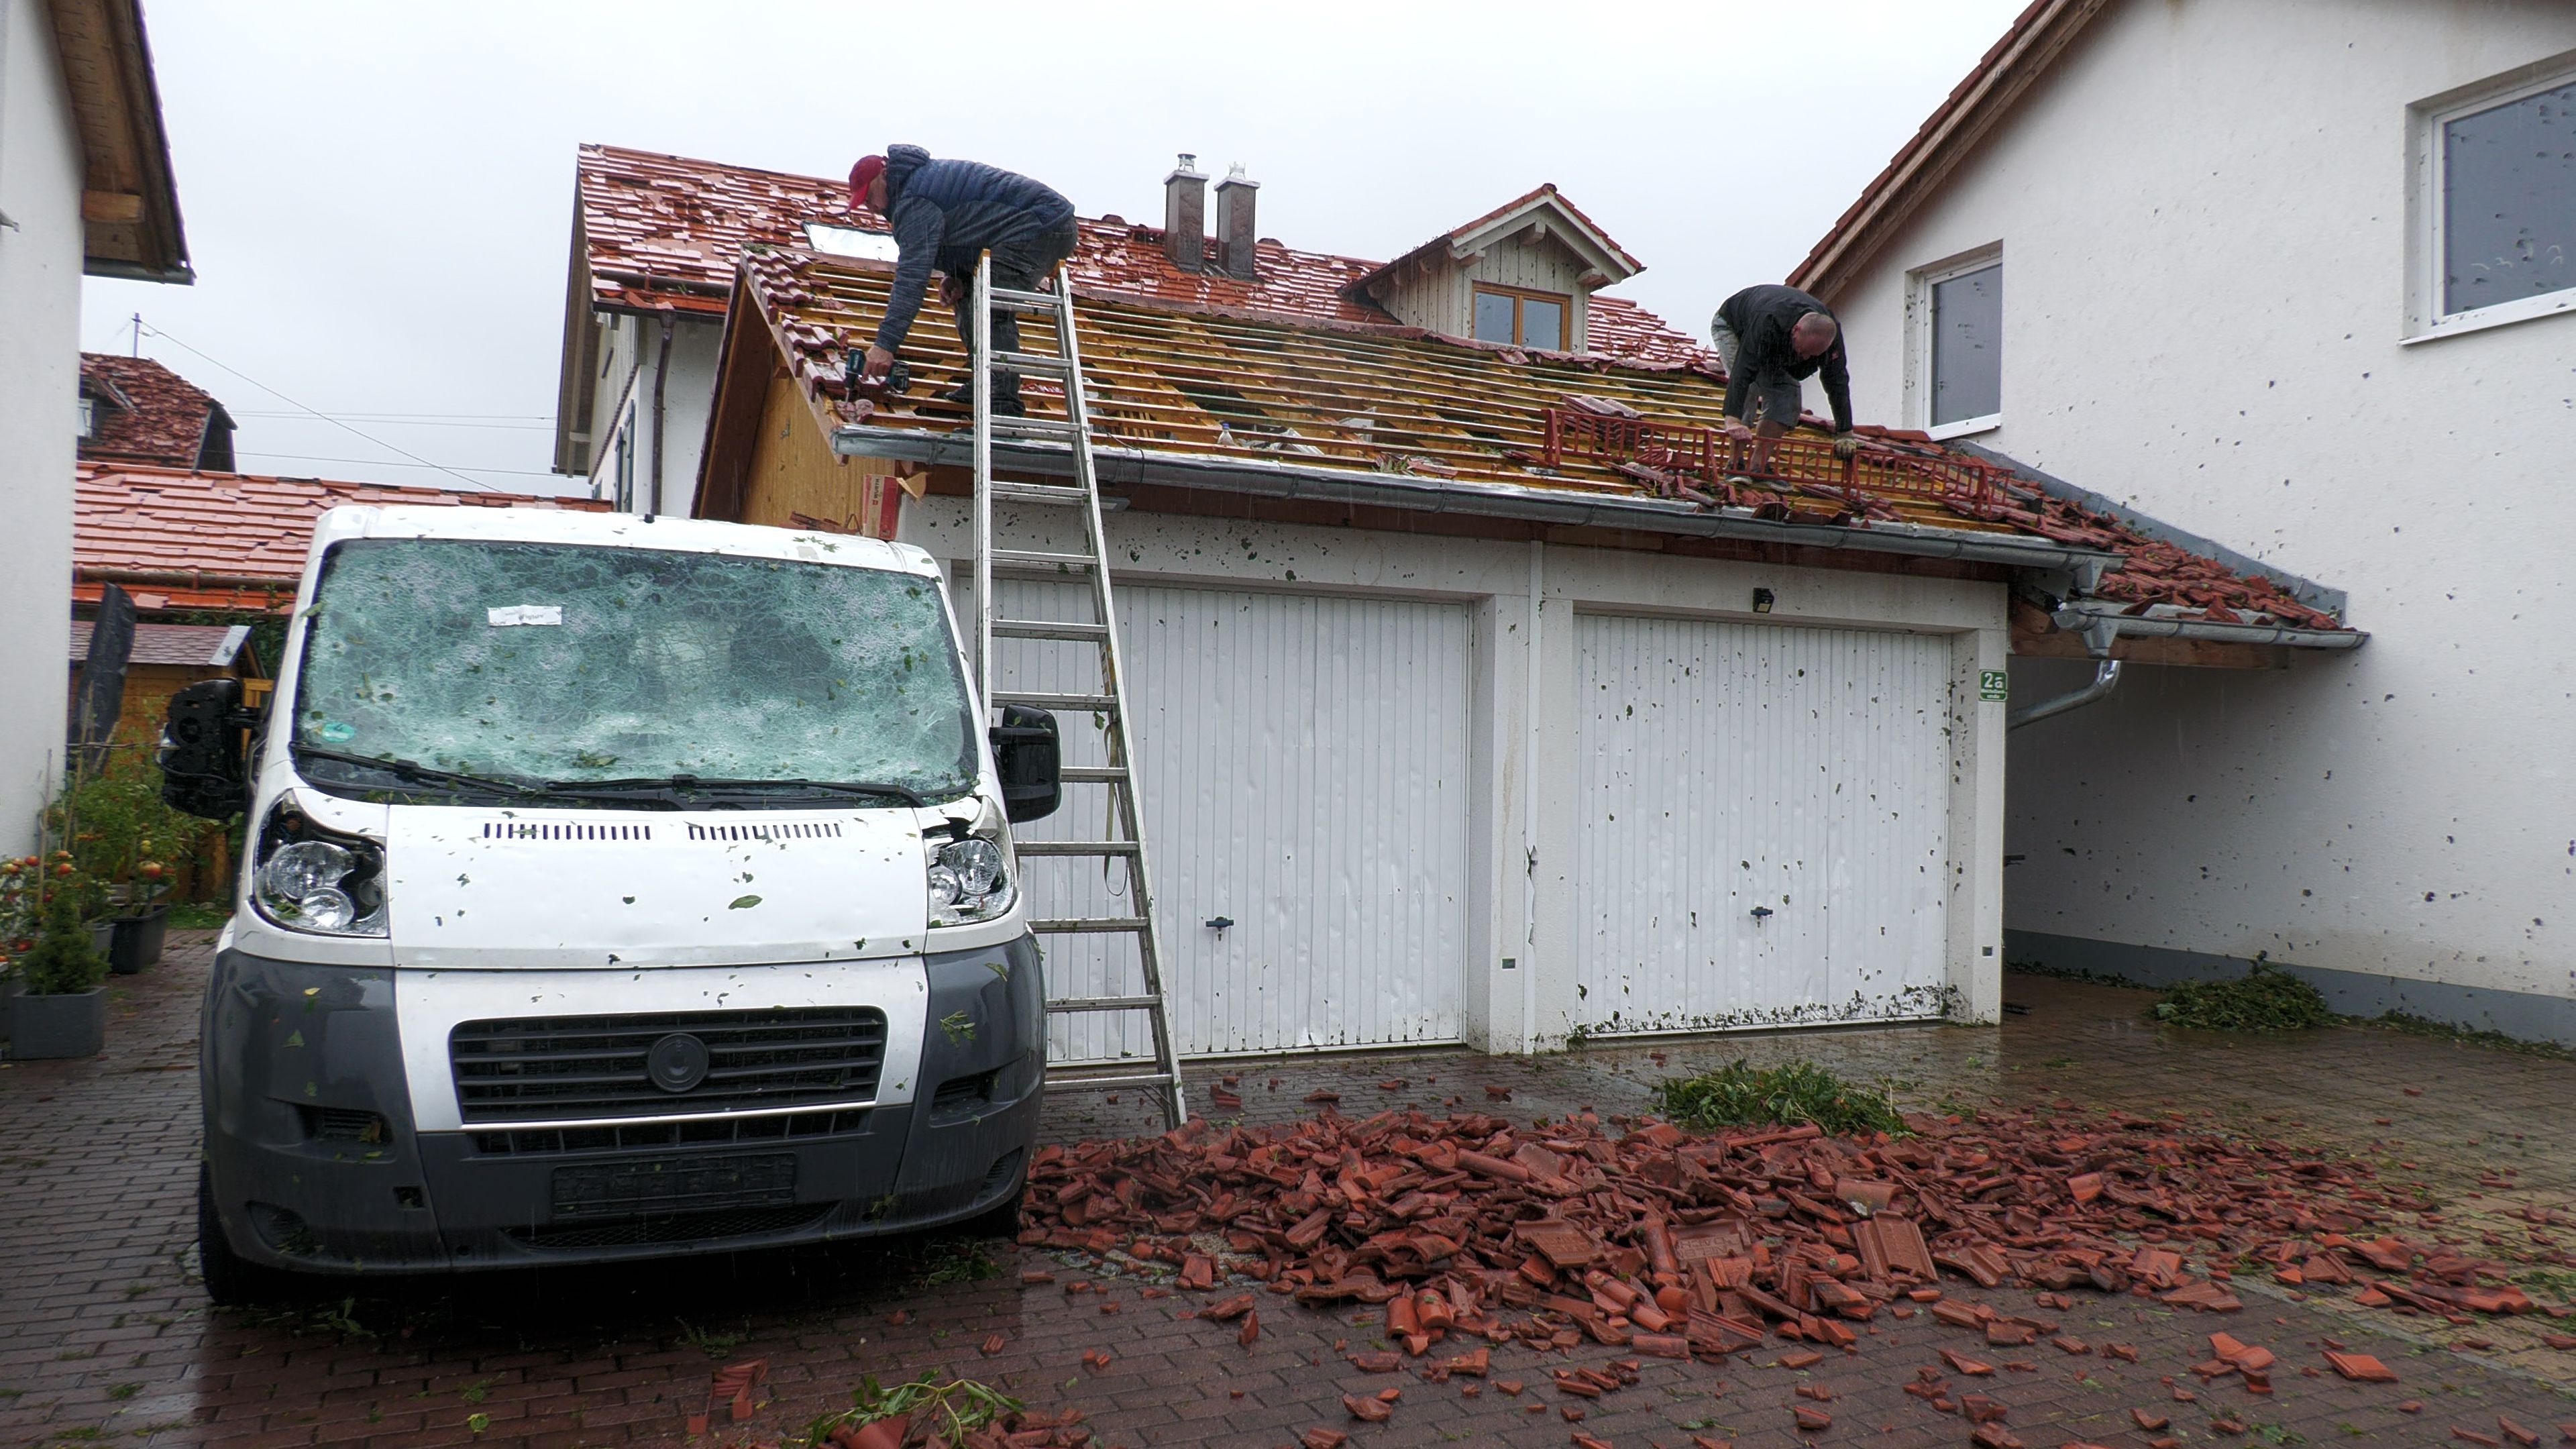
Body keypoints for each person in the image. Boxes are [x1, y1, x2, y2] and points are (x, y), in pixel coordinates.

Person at [850, 146, 1079, 415]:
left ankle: (1002, 400)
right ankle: (984, 381)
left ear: (883, 176)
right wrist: (958, 275)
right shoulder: (917, 186)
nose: (872, 208)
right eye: (864, 204)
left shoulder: (914, 199)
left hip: (1042, 225)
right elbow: (973, 223)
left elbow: (912, 277)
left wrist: (885, 345)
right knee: (970, 296)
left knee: (991, 307)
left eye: (870, 198)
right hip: (1031, 226)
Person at [1709, 284, 1860, 474]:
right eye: (1803, 352)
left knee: (1788, 394)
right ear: (1796, 330)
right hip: (1733, 327)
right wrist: (1732, 421)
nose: (1805, 359)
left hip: (1777, 345)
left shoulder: (1831, 338)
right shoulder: (1768, 321)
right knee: (1751, 388)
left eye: (1813, 356)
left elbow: (1837, 382)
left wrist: (1845, 433)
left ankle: (1759, 467)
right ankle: (1735, 464)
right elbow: (1742, 373)